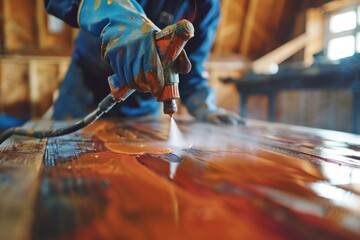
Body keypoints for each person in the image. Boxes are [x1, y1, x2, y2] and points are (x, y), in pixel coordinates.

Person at [44, 0, 243, 125]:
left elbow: (192, 67)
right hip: (85, 89)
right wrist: (111, 11)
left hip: (144, 108)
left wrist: (204, 106)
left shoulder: (205, 5)